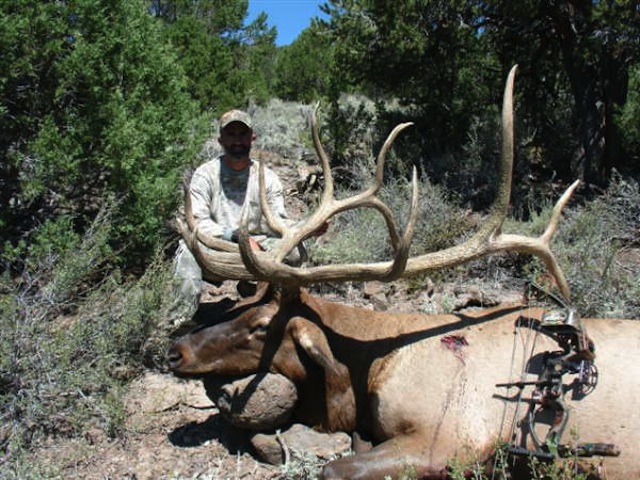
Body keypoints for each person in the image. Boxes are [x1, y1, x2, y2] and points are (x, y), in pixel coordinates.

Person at [173, 109, 325, 313]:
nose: (237, 140)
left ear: (252, 137)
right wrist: (238, 238)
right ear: (221, 140)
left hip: (258, 245)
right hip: (219, 244)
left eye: (242, 134)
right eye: (231, 134)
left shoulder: (268, 177)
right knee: (187, 252)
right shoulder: (205, 174)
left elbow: (278, 221)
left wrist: (307, 227)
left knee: (295, 252)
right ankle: (182, 318)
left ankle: (277, 308)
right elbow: (198, 223)